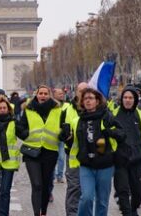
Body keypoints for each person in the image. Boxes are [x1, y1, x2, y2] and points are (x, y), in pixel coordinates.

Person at [62, 88, 125, 216]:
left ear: (97, 101)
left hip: (105, 165)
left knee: (102, 201)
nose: (88, 101)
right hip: (86, 166)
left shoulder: (107, 117)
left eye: (91, 98)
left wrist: (109, 132)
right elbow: (71, 144)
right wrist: (66, 138)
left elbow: (122, 134)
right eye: (85, 99)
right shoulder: (77, 121)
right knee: (86, 198)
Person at [18, 85, 63, 216]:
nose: (42, 95)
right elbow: (20, 127)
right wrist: (27, 134)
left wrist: (62, 133)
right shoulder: (28, 109)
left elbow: (62, 127)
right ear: (36, 95)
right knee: (37, 185)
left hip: (50, 152)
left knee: (45, 185)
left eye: (45, 93)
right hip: (32, 152)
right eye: (40, 93)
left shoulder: (57, 110)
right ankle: (36, 213)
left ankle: (44, 212)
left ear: (49, 95)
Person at [112, 86, 141, 216]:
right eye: (125, 97)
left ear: (135, 99)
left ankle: (133, 208)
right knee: (123, 190)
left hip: (137, 160)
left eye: (130, 98)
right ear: (121, 99)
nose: (128, 100)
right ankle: (127, 213)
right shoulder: (113, 115)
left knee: (138, 191)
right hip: (120, 161)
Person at [64, 82, 88, 216]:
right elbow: (60, 130)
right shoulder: (67, 109)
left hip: (91, 155)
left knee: (88, 190)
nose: (83, 93)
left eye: (86, 90)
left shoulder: (96, 108)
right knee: (74, 187)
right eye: (80, 90)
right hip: (73, 154)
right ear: (76, 92)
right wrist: (64, 135)